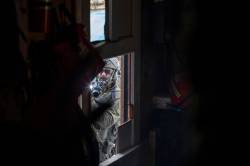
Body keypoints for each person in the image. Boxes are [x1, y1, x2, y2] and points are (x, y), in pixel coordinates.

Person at [89, 57, 121, 162]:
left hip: (102, 150)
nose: (102, 75)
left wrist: (89, 102)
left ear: (114, 75)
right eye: (100, 71)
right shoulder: (94, 88)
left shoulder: (116, 95)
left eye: (107, 72)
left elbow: (102, 121)